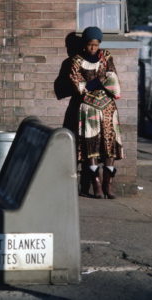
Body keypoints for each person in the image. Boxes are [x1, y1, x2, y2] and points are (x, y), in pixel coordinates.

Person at [69, 26, 124, 199]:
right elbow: (79, 87)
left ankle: (108, 185)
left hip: (108, 107)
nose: (93, 48)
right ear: (85, 44)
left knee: (110, 144)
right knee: (90, 144)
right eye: (90, 44)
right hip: (88, 108)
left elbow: (113, 79)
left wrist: (95, 83)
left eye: (96, 44)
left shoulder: (106, 56)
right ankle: (96, 185)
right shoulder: (76, 61)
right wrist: (101, 80)